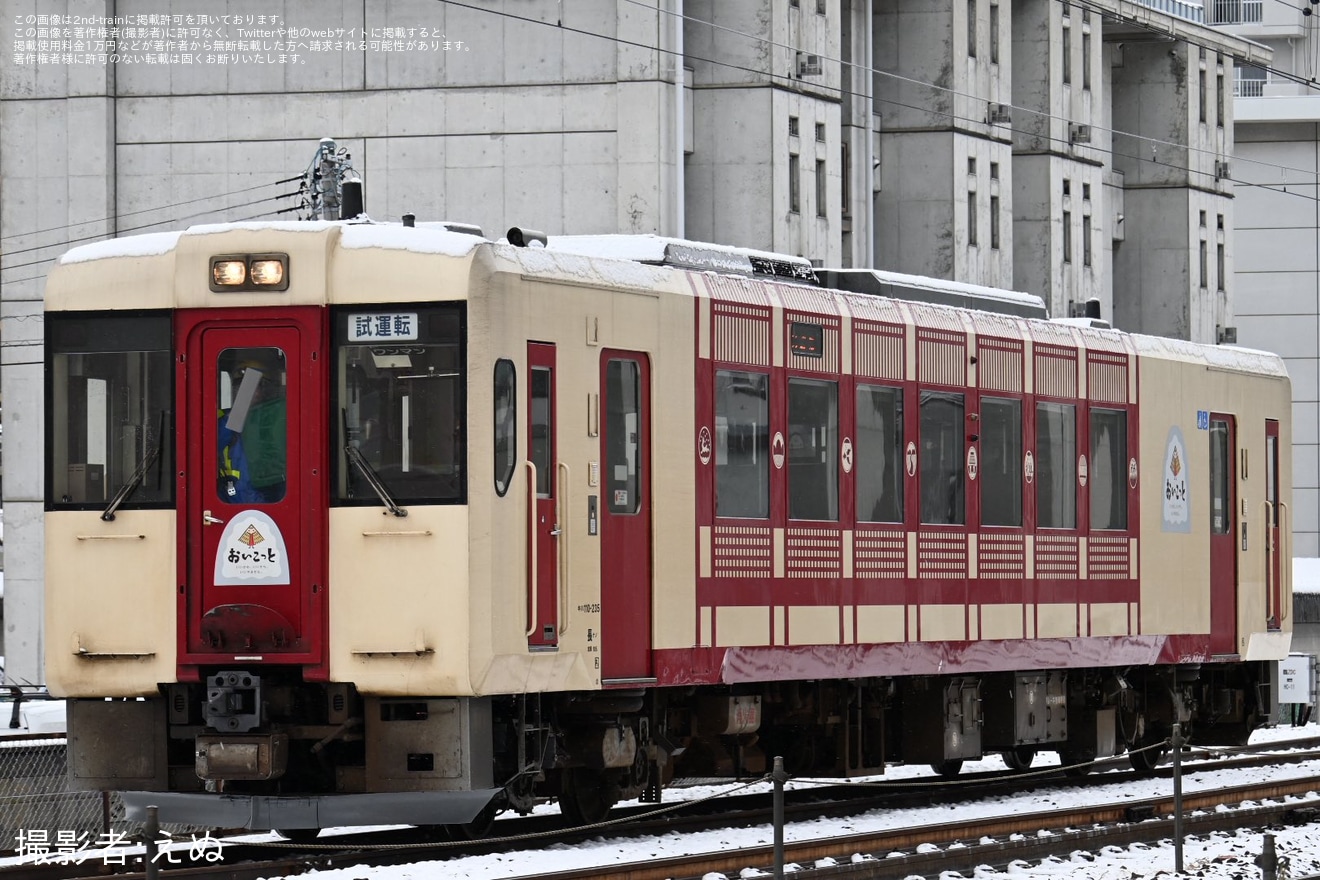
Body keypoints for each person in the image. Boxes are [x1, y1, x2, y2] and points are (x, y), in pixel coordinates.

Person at [218, 350, 287, 504]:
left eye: (250, 386)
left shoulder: (277, 417)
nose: (242, 391)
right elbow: (211, 444)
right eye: (238, 384)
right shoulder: (226, 419)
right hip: (232, 503)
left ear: (265, 389)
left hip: (270, 501)